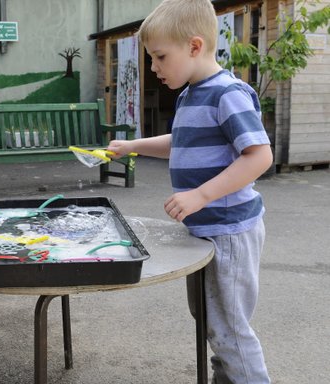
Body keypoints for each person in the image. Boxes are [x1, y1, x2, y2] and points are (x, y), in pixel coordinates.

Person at [106, 1, 273, 383]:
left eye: (160, 56)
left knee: (228, 328)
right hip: (207, 229)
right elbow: (179, 142)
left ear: (195, 47)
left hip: (229, 230)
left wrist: (201, 195)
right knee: (212, 321)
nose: (154, 67)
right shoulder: (191, 93)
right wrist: (134, 146)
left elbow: (259, 155)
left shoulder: (226, 93)